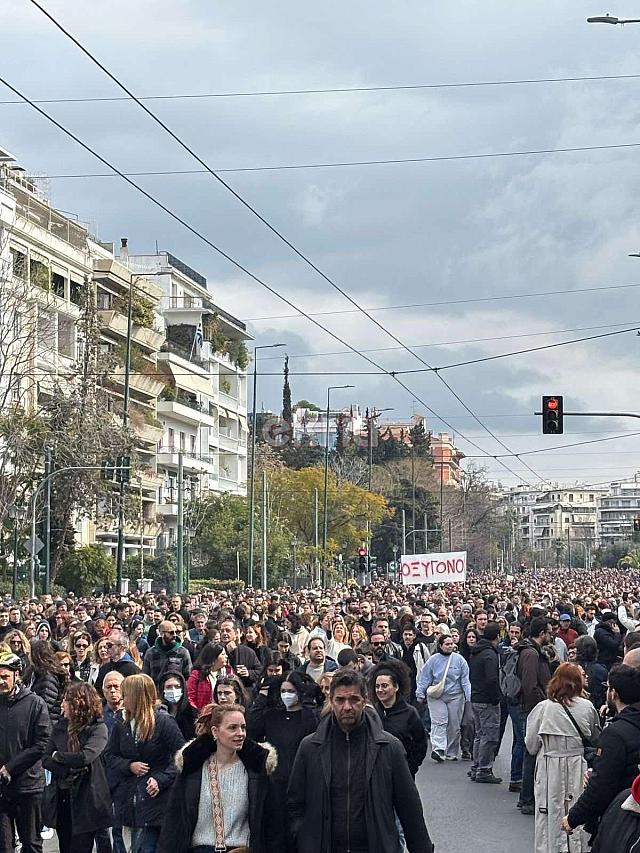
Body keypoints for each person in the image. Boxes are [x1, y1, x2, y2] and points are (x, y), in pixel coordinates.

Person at [288, 668, 434, 853]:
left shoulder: (389, 748)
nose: (347, 707)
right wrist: (305, 839)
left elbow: (409, 809)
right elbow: (295, 804)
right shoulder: (310, 748)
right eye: (340, 700)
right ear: (331, 701)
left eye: (354, 699)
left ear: (364, 700)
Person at [157, 702, 277, 853]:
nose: (240, 733)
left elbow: (273, 825)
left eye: (243, 727)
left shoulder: (256, 771)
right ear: (215, 731)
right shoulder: (194, 769)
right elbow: (173, 824)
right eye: (232, 728)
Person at [524, 663, 601, 853]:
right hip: (577, 764)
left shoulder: (542, 708)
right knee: (577, 809)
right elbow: (595, 738)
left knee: (548, 811)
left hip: (550, 765)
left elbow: (531, 745)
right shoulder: (587, 707)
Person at [105, 673, 185, 853]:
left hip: (155, 803)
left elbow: (181, 757)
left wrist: (161, 779)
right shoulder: (122, 723)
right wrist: (128, 765)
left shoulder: (164, 722)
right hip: (127, 800)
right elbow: (110, 755)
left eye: (126, 695)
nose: (122, 699)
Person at [562, 663, 640, 841]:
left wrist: (573, 818)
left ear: (614, 693)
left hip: (622, 816)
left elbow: (601, 786)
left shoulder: (615, 734)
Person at [247, 672, 319, 852]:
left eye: (291, 691)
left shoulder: (309, 716)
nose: (287, 695)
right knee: (276, 834)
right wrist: (262, 698)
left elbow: (315, 734)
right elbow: (252, 729)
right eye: (283, 691)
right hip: (275, 786)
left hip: (302, 785)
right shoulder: (272, 716)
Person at [42, 681, 112, 853]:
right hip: (62, 796)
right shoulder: (60, 727)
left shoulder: (97, 728)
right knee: (65, 846)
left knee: (81, 847)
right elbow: (45, 758)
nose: (62, 705)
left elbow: (85, 757)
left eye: (66, 700)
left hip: (87, 799)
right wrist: (65, 767)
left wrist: (58, 756)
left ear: (78, 704)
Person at [0, 652, 51, 853]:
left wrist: (10, 768)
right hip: (2, 791)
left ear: (17, 675)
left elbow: (42, 743)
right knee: (4, 846)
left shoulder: (35, 703)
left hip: (28, 787)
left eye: (4, 676)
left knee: (31, 845)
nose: (1, 681)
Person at [416, 633, 471, 762]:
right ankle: (438, 749)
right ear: (440, 645)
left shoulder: (460, 660)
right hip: (436, 696)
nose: (450, 646)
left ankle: (452, 752)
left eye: (451, 644)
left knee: (454, 725)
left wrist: (469, 697)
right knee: (438, 722)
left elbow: (465, 680)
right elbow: (425, 677)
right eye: (447, 644)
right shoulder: (433, 660)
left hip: (455, 696)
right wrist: (420, 693)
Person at [518, 616, 553, 815]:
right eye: (549, 632)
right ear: (542, 634)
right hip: (533, 708)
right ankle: (527, 798)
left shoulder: (532, 651)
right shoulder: (531, 654)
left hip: (534, 706)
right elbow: (530, 685)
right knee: (531, 752)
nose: (551, 635)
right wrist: (543, 703)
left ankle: (527, 797)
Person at [369, 660, 427, 777]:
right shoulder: (371, 713)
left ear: (396, 687)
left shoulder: (410, 713)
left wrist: (410, 767)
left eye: (385, 686)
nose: (380, 690)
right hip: (376, 774)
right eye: (377, 686)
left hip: (403, 775)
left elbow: (421, 744)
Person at [469, 621, 503, 783]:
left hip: (476, 697)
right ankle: (484, 769)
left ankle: (476, 766)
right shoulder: (490, 654)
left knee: (479, 734)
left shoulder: (477, 651)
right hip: (486, 700)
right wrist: (496, 697)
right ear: (497, 636)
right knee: (489, 735)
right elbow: (491, 679)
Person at [22, 640, 67, 727]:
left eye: (30, 653)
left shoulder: (47, 677)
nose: (28, 655)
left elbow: (45, 705)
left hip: (46, 725)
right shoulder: (34, 673)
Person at [142, 621, 192, 686]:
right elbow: (145, 676)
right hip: (156, 692)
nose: (174, 635)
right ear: (161, 633)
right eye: (171, 633)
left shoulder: (183, 652)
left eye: (176, 632)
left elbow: (189, 676)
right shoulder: (151, 653)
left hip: (176, 691)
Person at [94, 630, 141, 695]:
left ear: (121, 647)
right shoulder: (104, 668)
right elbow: (98, 692)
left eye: (110, 645)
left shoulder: (133, 670)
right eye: (106, 645)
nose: (106, 648)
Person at [186, 643, 231, 710]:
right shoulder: (197, 674)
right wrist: (199, 712)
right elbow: (191, 697)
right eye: (223, 654)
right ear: (214, 657)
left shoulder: (228, 672)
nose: (226, 656)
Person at [158, 671, 196, 741]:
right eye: (168, 687)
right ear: (162, 690)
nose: (173, 690)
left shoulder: (192, 713)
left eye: (177, 686)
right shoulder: (158, 712)